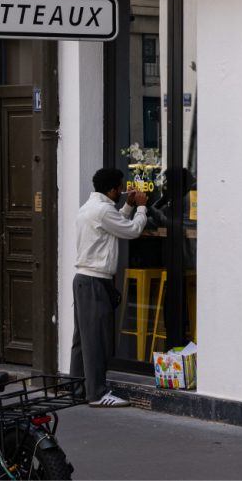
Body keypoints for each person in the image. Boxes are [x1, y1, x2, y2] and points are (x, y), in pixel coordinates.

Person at [70, 167, 148, 407]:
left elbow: (115, 223)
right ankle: (97, 393)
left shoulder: (90, 208)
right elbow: (133, 230)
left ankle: (77, 389)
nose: (122, 191)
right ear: (112, 189)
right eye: (120, 189)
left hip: (83, 279)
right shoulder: (103, 211)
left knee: (82, 339)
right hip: (95, 280)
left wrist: (128, 206)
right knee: (96, 339)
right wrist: (142, 207)